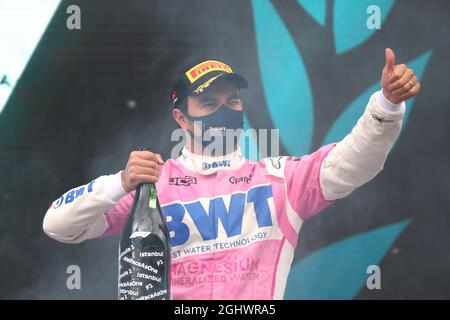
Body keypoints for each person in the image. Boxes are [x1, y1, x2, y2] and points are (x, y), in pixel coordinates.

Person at [42, 49, 420, 299]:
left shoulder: (279, 180)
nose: (224, 111)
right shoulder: (148, 185)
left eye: (232, 101)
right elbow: (58, 225)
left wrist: (386, 104)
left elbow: (353, 163)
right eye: (208, 102)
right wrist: (118, 183)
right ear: (180, 117)